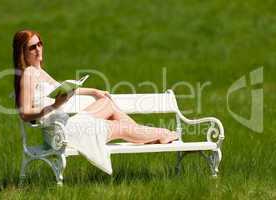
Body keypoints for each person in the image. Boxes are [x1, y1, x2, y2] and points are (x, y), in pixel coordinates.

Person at [13, 30, 178, 174]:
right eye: (32, 47)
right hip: (62, 134)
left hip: (66, 127)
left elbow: (63, 88)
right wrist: (55, 105)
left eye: (40, 44)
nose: (38, 49)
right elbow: (24, 114)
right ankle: (161, 133)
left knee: (106, 102)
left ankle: (150, 135)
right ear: (23, 52)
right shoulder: (29, 74)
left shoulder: (38, 71)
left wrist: (94, 91)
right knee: (120, 127)